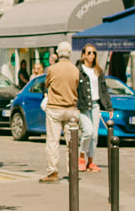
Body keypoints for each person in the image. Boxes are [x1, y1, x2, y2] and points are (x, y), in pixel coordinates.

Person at [40, 41, 92, 183]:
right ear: (69, 54)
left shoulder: (52, 69)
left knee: (53, 141)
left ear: (58, 53)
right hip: (71, 109)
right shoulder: (76, 70)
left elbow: (46, 84)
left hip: (55, 108)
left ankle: (53, 171)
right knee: (72, 142)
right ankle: (72, 171)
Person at [78, 46, 113, 173]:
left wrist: (109, 107)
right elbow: (75, 89)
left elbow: (104, 89)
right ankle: (81, 157)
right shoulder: (79, 70)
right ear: (83, 55)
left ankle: (90, 161)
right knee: (88, 131)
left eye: (94, 53)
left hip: (95, 104)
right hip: (82, 105)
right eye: (89, 53)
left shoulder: (98, 70)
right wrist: (75, 106)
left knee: (95, 135)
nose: (92, 55)